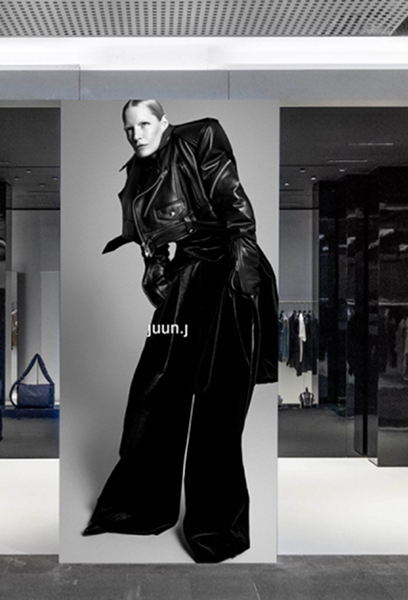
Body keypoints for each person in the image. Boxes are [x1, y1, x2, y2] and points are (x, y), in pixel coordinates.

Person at [84, 100, 278, 563]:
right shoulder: (137, 175)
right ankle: (140, 505)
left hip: (231, 276)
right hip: (190, 281)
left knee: (219, 402)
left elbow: (238, 212)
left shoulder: (198, 142)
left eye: (144, 124)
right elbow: (152, 238)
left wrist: (242, 276)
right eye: (129, 128)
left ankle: (217, 527)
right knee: (156, 386)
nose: (136, 134)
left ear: (163, 123)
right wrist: (158, 270)